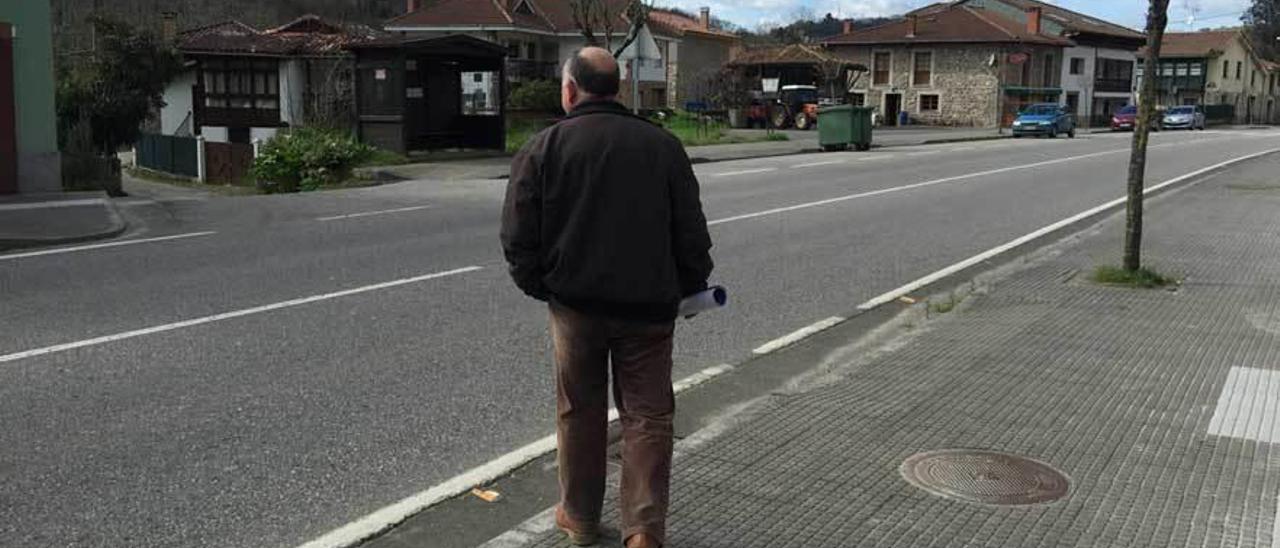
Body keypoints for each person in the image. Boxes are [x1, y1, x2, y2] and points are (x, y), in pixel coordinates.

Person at [500, 47, 714, 548]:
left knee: (579, 411)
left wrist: (543, 286)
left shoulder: (544, 147)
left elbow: (517, 236)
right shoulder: (662, 147)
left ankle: (579, 518)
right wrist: (691, 288)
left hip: (575, 309)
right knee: (648, 417)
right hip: (649, 312)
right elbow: (691, 233)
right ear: (615, 87)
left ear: (570, 90)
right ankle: (643, 532)